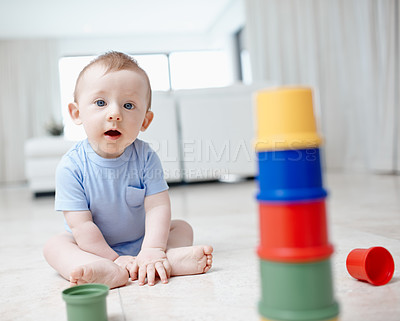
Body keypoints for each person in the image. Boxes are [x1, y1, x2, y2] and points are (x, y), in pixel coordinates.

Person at [43, 51, 213, 289]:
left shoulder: (146, 157)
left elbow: (158, 207)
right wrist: (114, 258)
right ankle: (107, 269)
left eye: (129, 105)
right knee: (55, 245)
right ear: (76, 113)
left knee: (181, 227)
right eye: (100, 103)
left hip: (143, 241)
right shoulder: (71, 167)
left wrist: (152, 248)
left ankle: (163, 259)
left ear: (145, 120)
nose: (115, 114)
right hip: (91, 247)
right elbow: (81, 226)